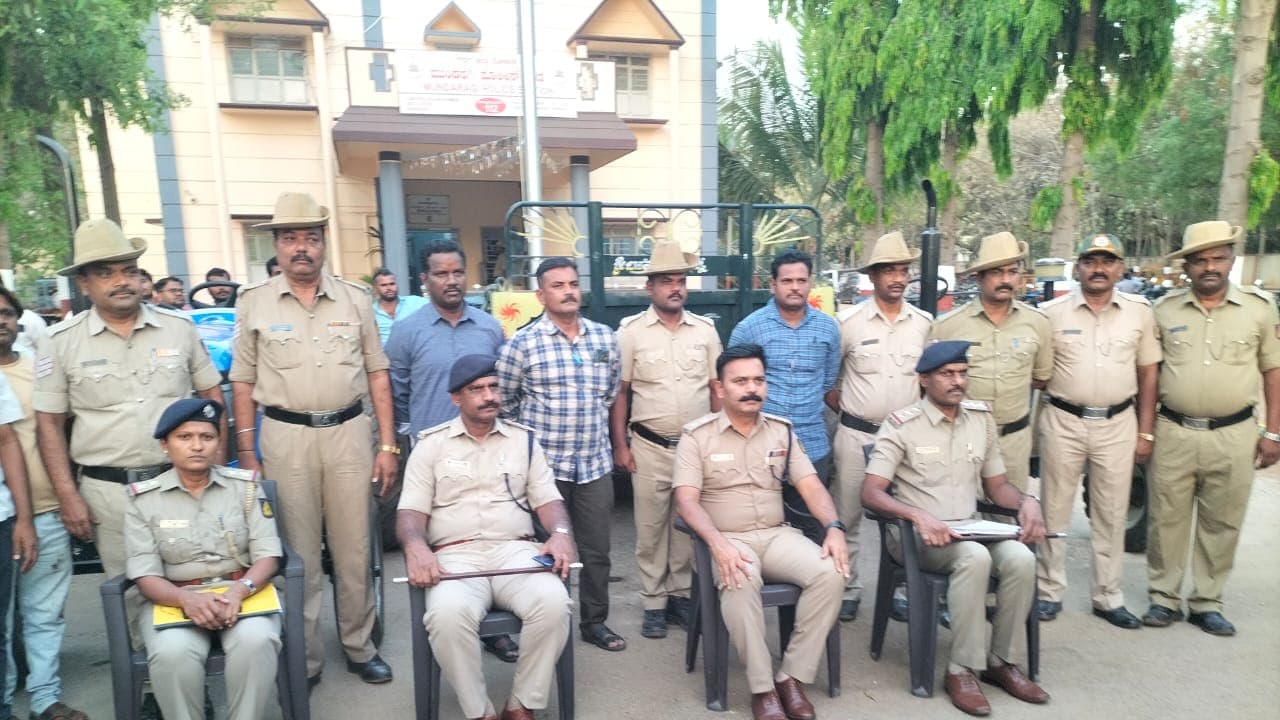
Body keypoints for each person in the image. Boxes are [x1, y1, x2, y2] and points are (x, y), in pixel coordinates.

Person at [230, 192, 397, 684]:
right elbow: (242, 382)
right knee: (297, 553)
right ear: (276, 245)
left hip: (349, 434)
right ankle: (305, 657)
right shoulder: (253, 302)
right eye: (290, 238)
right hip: (285, 438)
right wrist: (247, 453)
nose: (300, 247)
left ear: (323, 243)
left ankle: (360, 645)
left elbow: (378, 374)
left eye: (310, 237)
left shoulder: (355, 299)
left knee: (354, 549)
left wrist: (387, 446)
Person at [34, 219, 224, 639]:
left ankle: (197, 663)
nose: (121, 281)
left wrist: (217, 469)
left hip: (181, 481)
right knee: (133, 593)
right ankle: (149, 672)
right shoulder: (60, 341)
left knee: (200, 575)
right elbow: (49, 423)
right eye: (106, 273)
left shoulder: (178, 328)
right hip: (109, 494)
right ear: (84, 284)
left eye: (128, 270)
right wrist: (68, 496)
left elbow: (211, 396)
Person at [862, 340, 1049, 716]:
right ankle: (961, 670)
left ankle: (1000, 661)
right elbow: (870, 492)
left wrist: (1027, 502)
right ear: (924, 380)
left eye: (963, 373)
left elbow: (997, 486)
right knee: (974, 558)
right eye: (947, 374)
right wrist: (917, 515)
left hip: (971, 527)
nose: (958, 381)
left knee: (1020, 558)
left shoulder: (980, 420)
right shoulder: (902, 425)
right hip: (917, 537)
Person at [673, 344, 847, 720]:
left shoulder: (781, 431)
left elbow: (812, 486)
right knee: (740, 576)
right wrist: (717, 543)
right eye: (740, 381)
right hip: (726, 539)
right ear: (720, 388)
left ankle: (791, 677)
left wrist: (833, 528)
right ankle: (763, 688)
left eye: (758, 380)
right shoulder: (697, 436)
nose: (751, 388)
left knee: (832, 571)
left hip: (776, 535)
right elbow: (686, 501)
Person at [397, 354, 576, 720]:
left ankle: (521, 705)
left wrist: (560, 534)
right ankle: (480, 712)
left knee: (554, 602)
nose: (489, 396)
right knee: (447, 616)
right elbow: (410, 513)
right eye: (476, 389)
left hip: (515, 551)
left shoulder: (524, 442)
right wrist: (416, 546)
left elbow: (549, 501)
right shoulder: (431, 446)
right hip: (455, 556)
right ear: (456, 398)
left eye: (493, 387)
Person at [1142, 221, 1280, 636]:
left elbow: (1273, 372)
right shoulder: (1164, 310)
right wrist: (1145, 432)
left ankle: (1207, 601)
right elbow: (1150, 374)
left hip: (1234, 434)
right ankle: (1163, 597)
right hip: (1174, 430)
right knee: (1166, 518)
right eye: (1200, 260)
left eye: (1218, 258)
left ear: (1231, 261)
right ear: (1186, 266)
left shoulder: (1259, 308)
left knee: (1223, 520)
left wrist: (1273, 433)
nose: (1210, 267)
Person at [384, 240, 509, 660]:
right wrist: (409, 441)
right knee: (444, 541)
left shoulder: (489, 327)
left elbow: (500, 387)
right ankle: (451, 627)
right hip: (433, 455)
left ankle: (495, 628)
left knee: (488, 533)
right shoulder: (407, 332)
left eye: (457, 272)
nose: (451, 280)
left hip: (487, 449)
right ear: (425, 280)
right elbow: (397, 392)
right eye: (441, 273)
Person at [495, 257, 624, 652]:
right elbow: (505, 403)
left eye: (572, 284)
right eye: (558, 285)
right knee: (544, 551)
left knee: (597, 551)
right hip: (545, 471)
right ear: (540, 295)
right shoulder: (522, 344)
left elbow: (610, 394)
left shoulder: (605, 339)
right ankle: (547, 624)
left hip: (594, 465)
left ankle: (594, 623)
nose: (568, 292)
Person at [125, 398, 282, 720]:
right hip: (176, 598)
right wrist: (187, 600)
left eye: (207, 437)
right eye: (185, 437)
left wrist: (238, 591)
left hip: (243, 593)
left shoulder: (245, 488)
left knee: (257, 640)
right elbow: (145, 575)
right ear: (165, 445)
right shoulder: (144, 499)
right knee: (172, 653)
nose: (197, 446)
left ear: (218, 443)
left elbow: (268, 555)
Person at [1034, 234, 1159, 628]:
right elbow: (1038, 374)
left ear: (1120, 269)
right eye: (1090, 261)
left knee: (1111, 512)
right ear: (1078, 268)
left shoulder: (1139, 313)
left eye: (1107, 261)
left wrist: (1146, 432)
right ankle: (1048, 591)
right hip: (1063, 420)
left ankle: (1108, 596)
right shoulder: (1051, 314)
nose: (1098, 269)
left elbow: (1149, 373)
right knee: (1054, 509)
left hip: (1118, 423)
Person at [609, 238, 721, 639]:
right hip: (649, 446)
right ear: (650, 287)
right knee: (651, 528)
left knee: (687, 525)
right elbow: (621, 394)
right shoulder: (631, 333)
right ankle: (653, 602)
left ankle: (681, 596)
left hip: (695, 448)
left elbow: (716, 388)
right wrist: (621, 445)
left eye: (681, 281)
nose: (676, 288)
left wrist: (718, 441)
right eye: (667, 281)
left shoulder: (705, 331)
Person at [825, 231, 931, 623]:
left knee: (907, 516)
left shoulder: (923, 324)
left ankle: (902, 589)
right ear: (873, 277)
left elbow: (928, 383)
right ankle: (846, 588)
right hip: (857, 435)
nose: (898, 278)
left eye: (903, 270)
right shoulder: (848, 324)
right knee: (847, 515)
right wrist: (854, 412)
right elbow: (828, 383)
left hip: (905, 439)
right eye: (889, 270)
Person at [0, 287, 85, 720]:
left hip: (48, 510)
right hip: (4, 516)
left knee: (44, 614)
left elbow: (66, 433)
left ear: (18, 320)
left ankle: (44, 699)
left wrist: (72, 496)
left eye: (5, 313)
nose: (0, 321)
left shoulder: (41, 370)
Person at [929, 232, 1052, 492]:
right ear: (980, 277)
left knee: (1011, 509)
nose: (1005, 280)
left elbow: (1040, 378)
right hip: (962, 437)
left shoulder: (1038, 323)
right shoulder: (948, 326)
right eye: (997, 272)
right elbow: (932, 385)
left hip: (1014, 440)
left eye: (1012, 272)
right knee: (960, 508)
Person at [728, 249, 840, 535]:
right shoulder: (749, 329)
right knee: (758, 527)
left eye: (801, 280)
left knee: (813, 530)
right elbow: (732, 387)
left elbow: (827, 382)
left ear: (810, 282)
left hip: (812, 445)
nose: (795, 287)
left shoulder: (828, 329)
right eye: (787, 281)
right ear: (773, 284)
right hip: (760, 447)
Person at [371, 267, 429, 345]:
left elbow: (437, 306)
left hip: (413, 350)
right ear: (375, 288)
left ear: (397, 285)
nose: (389, 288)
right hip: (383, 352)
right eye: (383, 285)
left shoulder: (414, 302)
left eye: (392, 284)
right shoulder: (371, 313)